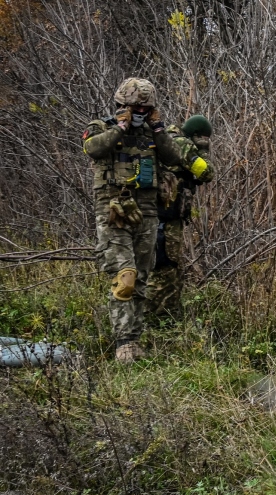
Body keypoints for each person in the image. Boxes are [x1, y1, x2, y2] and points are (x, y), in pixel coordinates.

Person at [82, 78, 185, 363]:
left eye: (146, 108)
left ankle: (135, 339)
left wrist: (159, 128)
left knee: (140, 278)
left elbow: (175, 157)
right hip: (113, 211)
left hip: (147, 212)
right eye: (134, 107)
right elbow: (93, 149)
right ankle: (123, 342)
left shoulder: (153, 134)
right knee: (124, 278)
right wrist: (121, 127)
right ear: (121, 105)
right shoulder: (101, 128)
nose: (140, 112)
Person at [146, 115, 216, 318]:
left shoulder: (170, 137)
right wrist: (203, 150)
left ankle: (169, 314)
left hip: (163, 216)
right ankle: (158, 318)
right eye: (203, 138)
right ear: (196, 135)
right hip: (165, 217)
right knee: (164, 267)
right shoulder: (182, 144)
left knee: (170, 266)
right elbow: (207, 173)